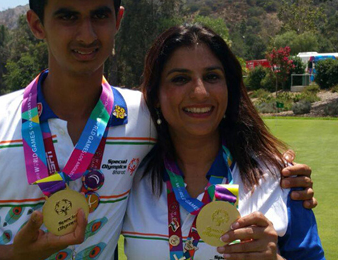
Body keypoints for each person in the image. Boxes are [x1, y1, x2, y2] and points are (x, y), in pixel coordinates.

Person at [0, 0, 317, 260]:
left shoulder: (144, 117)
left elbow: (204, 124)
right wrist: (13, 255)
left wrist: (284, 174)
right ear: (37, 25)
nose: (86, 34)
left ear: (117, 20)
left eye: (99, 15)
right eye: (67, 16)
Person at [121, 25, 325, 259]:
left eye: (212, 77)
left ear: (229, 88)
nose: (200, 92)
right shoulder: (129, 176)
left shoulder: (282, 178)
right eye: (180, 79)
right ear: (155, 95)